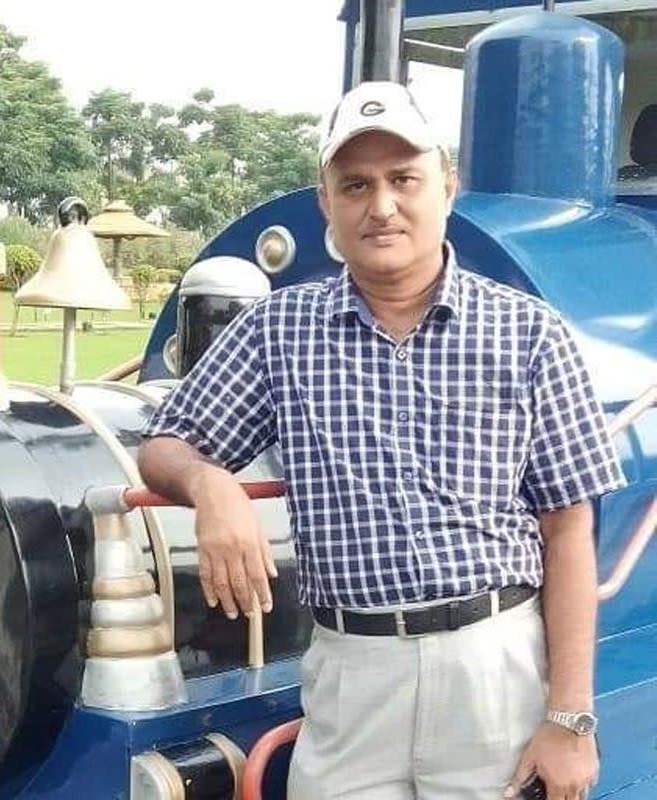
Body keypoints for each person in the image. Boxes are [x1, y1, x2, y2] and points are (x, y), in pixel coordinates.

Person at [138, 81, 625, 800]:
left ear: (447, 186)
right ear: (326, 203)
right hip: (351, 675)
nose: (383, 206)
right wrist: (212, 486)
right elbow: (163, 441)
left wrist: (571, 718)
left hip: (494, 670)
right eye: (356, 185)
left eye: (404, 180)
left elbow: (569, 532)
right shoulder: (279, 331)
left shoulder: (529, 334)